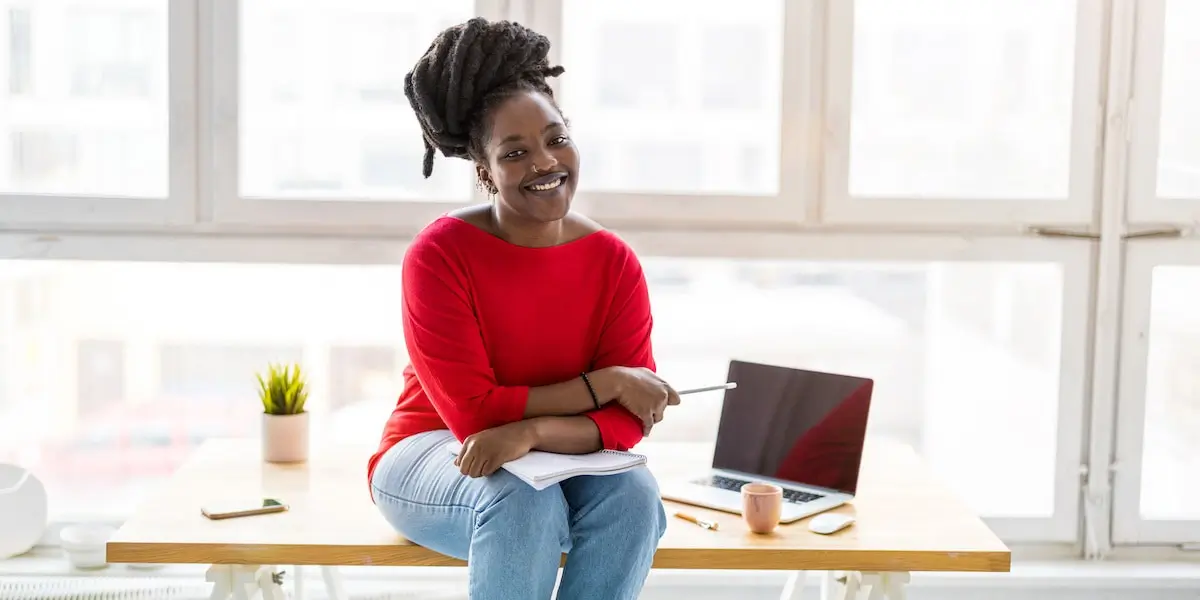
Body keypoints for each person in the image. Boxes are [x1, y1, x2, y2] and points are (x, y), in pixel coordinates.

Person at [367, 17, 681, 600]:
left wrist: (534, 429)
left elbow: (625, 423)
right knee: (520, 501)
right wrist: (607, 381)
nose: (544, 162)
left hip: (553, 453)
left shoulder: (613, 263)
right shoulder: (440, 255)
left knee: (635, 499)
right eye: (515, 152)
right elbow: (476, 416)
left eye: (556, 138)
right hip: (435, 449)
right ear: (484, 168)